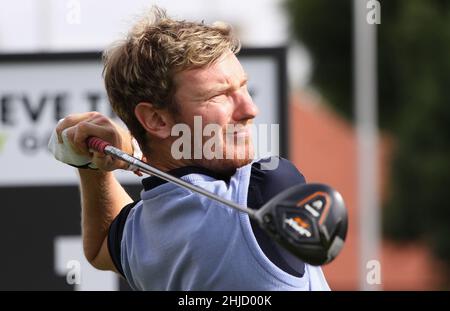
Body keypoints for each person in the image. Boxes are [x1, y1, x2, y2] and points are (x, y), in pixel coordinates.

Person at [52, 7, 330, 290]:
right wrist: (129, 150)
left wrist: (92, 167)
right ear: (156, 119)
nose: (250, 109)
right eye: (219, 95)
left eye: (244, 88)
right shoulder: (268, 187)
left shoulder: (139, 234)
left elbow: (100, 246)